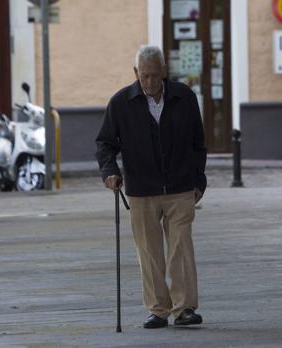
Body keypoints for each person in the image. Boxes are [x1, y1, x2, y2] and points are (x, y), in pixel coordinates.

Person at [96, 45, 207, 329]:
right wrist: (110, 172)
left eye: (155, 76)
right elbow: (105, 144)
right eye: (144, 76)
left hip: (181, 186)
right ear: (136, 73)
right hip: (141, 189)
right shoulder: (121, 103)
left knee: (181, 246)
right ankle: (158, 309)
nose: (149, 82)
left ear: (164, 72)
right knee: (149, 250)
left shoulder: (185, 97)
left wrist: (198, 180)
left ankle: (184, 309)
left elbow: (198, 143)